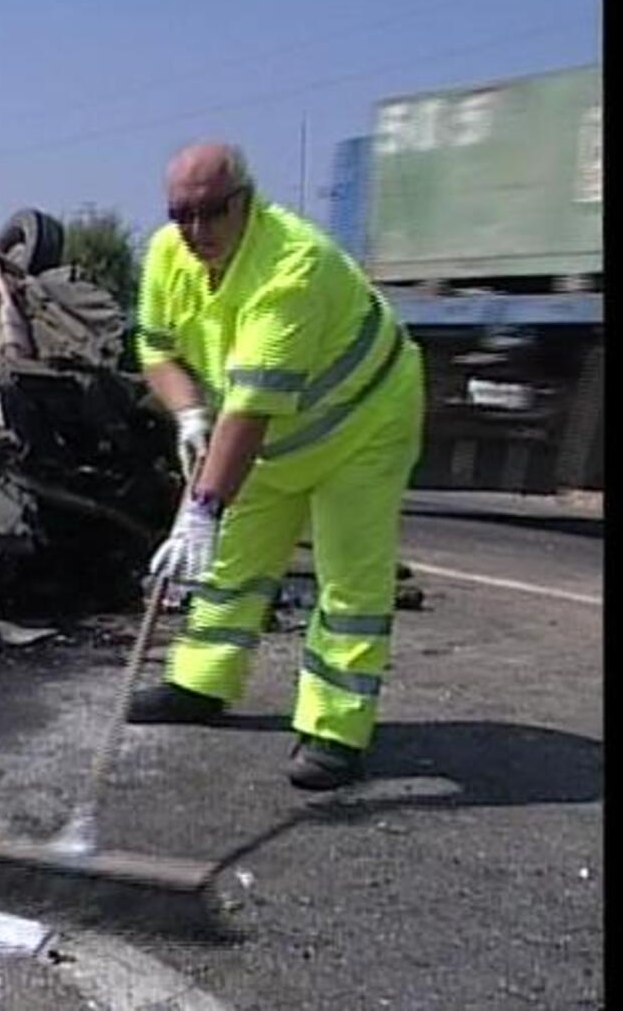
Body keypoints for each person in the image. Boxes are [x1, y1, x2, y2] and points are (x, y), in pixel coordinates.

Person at [130, 142, 424, 790]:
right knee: (233, 563)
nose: (197, 230)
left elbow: (251, 413)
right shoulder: (166, 255)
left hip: (362, 426)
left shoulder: (292, 265)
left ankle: (335, 729)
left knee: (349, 577)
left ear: (245, 199)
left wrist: (201, 510)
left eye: (212, 212)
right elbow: (154, 350)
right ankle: (201, 685)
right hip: (268, 434)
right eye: (182, 214)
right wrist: (188, 415)